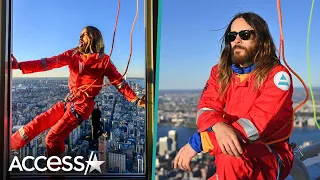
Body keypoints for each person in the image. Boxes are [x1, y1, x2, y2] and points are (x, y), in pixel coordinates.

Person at [173, 12, 294, 180]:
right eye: (232, 36)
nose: (237, 40)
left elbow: (253, 127)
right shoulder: (219, 72)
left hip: (270, 156)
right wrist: (218, 126)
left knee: (232, 153)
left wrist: (200, 142)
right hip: (231, 160)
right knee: (230, 152)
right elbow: (206, 107)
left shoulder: (278, 76)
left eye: (245, 35)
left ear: (261, 39)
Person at [10, 26, 146, 158]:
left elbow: (119, 82)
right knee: (37, 122)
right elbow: (48, 63)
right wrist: (20, 66)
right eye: (80, 34)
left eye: (85, 34)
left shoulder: (103, 61)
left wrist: (135, 99)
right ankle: (9, 146)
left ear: (94, 38)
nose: (80, 37)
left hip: (82, 106)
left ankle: (57, 173)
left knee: (53, 138)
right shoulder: (73, 54)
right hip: (69, 101)